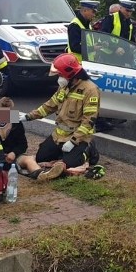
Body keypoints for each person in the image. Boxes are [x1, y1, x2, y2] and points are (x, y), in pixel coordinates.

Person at [18, 53, 101, 181]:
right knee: (41, 157)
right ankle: (63, 153)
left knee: (71, 164)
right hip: (59, 136)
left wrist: (73, 141)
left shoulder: (90, 90)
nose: (58, 77)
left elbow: (88, 121)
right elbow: (49, 106)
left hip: (78, 137)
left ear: (70, 74)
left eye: (60, 74)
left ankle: (89, 149)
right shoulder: (64, 87)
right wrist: (27, 116)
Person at [0, 97, 28, 171]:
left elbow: (23, 144)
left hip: (12, 156)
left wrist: (14, 153)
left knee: (28, 160)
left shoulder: (16, 121)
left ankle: (39, 173)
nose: (4, 115)